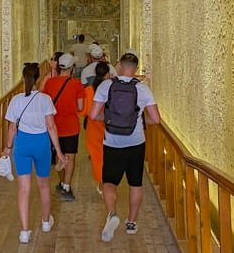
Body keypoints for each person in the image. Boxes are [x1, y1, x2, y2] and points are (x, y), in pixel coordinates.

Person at [88, 52, 160, 241]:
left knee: (109, 181)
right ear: (135, 69)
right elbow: (156, 119)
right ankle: (132, 223)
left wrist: (110, 120)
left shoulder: (106, 85)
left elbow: (93, 115)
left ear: (119, 66)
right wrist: (137, 120)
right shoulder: (143, 90)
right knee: (135, 183)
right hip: (136, 142)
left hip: (112, 142)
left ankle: (112, 213)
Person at [3, 62, 66, 243]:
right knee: (44, 185)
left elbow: (12, 128)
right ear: (39, 78)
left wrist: (7, 148)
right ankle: (46, 221)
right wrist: (59, 152)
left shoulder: (16, 100)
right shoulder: (45, 100)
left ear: (23, 79)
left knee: (24, 189)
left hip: (22, 144)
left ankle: (24, 231)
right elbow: (51, 126)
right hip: (41, 143)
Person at [42, 52, 84, 201]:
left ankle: (61, 182)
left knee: (58, 156)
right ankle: (66, 186)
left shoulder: (49, 83)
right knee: (70, 157)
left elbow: (44, 103)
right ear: (72, 68)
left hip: (54, 126)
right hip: (71, 126)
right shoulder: (76, 84)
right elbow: (80, 107)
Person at [82, 61, 110, 195]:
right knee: (108, 156)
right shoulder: (111, 89)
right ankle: (108, 182)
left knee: (97, 158)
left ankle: (101, 182)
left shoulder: (89, 90)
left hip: (93, 130)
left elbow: (85, 111)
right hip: (109, 128)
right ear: (107, 74)